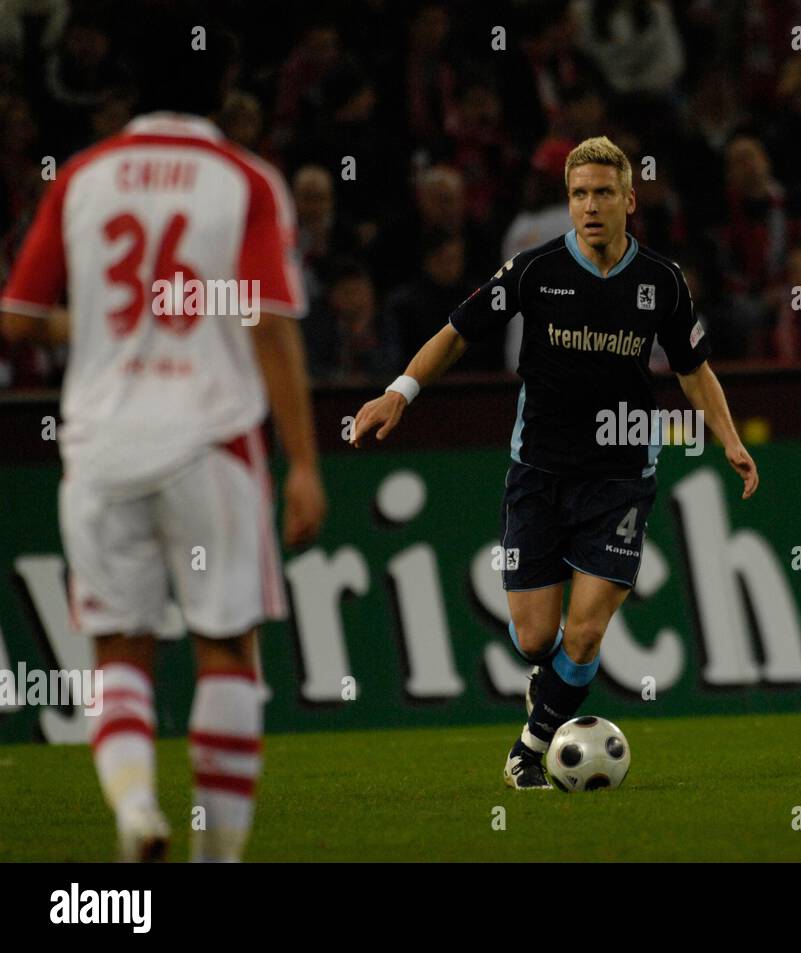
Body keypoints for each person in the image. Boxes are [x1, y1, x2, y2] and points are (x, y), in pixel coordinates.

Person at [0, 21, 325, 861]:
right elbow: (270, 323)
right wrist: (305, 466)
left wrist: (95, 325)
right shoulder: (244, 180)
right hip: (209, 440)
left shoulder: (80, 177)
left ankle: (138, 808)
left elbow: (18, 317)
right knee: (226, 649)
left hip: (100, 446)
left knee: (118, 648)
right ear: (223, 88)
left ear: (129, 87)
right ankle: (215, 856)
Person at [349, 136, 758, 789]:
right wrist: (401, 391)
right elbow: (458, 332)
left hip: (622, 472)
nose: (590, 206)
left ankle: (528, 749)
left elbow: (693, 369)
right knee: (537, 639)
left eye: (602, 193)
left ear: (629, 199)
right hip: (538, 471)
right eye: (577, 195)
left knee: (587, 631)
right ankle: (549, 685)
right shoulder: (534, 271)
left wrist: (729, 437)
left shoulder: (662, 281)